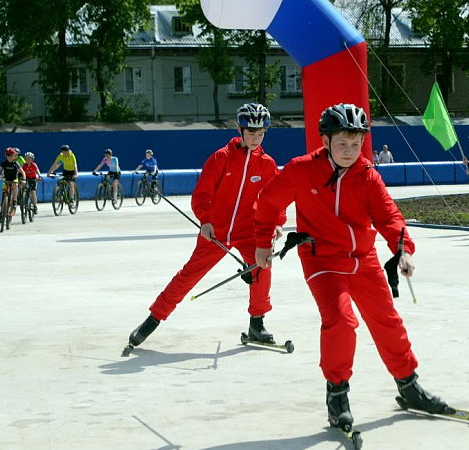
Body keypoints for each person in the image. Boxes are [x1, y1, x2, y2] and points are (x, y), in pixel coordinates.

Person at [253, 103, 450, 432]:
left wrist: (402, 249)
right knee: (342, 321)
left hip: (363, 260)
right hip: (322, 261)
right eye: (342, 143)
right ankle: (337, 394)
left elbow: (389, 216)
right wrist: (262, 241)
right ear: (326, 141)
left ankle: (408, 386)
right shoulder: (302, 170)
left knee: (387, 320)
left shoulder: (367, 175)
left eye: (356, 144)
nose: (349, 151)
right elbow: (268, 200)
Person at [124, 103, 284, 353]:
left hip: (247, 232)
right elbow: (202, 195)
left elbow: (273, 199)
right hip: (215, 232)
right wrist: (206, 221)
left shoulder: (267, 164)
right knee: (188, 276)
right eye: (250, 132)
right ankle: (152, 320)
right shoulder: (222, 157)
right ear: (239, 129)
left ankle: (257, 323)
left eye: (260, 133)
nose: (255, 138)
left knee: (263, 268)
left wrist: (276, 224)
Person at [0, 147, 26, 218]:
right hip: (6, 180)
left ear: (14, 156)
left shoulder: (15, 163)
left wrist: (24, 179)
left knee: (15, 185)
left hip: (14, 179)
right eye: (8, 156)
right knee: (3, 194)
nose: (10, 158)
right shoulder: (4, 163)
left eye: (11, 156)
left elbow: (22, 172)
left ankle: (14, 201)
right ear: (6, 156)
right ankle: (2, 211)